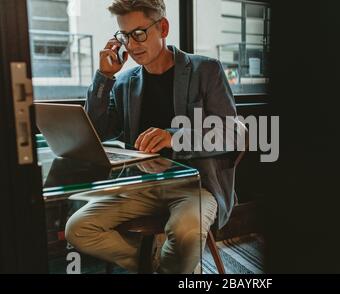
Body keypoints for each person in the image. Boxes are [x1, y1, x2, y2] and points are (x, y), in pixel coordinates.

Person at [65, 0, 245, 274]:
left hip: (196, 186)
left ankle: (169, 263)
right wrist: (104, 77)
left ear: (163, 27)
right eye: (124, 36)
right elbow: (98, 131)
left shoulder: (207, 70)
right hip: (140, 185)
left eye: (139, 33)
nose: (132, 45)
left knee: (185, 232)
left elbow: (233, 133)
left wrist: (174, 137)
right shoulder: (124, 83)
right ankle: (162, 265)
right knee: (78, 228)